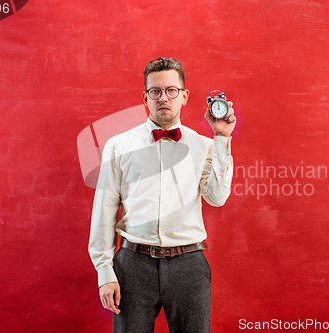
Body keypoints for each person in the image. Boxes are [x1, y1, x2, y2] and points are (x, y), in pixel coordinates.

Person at [88, 57, 236, 333]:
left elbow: (217, 197)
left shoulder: (205, 146)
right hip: (132, 265)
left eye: (171, 90)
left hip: (189, 266)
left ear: (184, 96)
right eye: (155, 91)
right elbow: (104, 212)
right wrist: (105, 271)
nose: (163, 98)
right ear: (145, 97)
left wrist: (222, 139)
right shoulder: (118, 146)